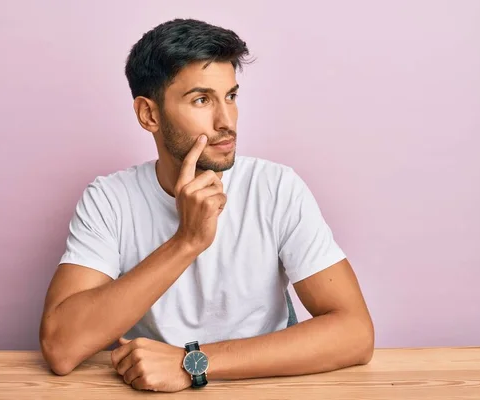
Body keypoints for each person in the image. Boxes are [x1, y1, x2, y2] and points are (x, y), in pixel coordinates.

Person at [39, 18, 374, 392]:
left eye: (230, 96)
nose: (226, 121)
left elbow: (356, 333)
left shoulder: (275, 188)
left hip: (268, 385)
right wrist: (187, 241)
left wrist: (193, 364)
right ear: (149, 114)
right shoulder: (110, 199)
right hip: (148, 390)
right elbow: (61, 347)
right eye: (202, 100)